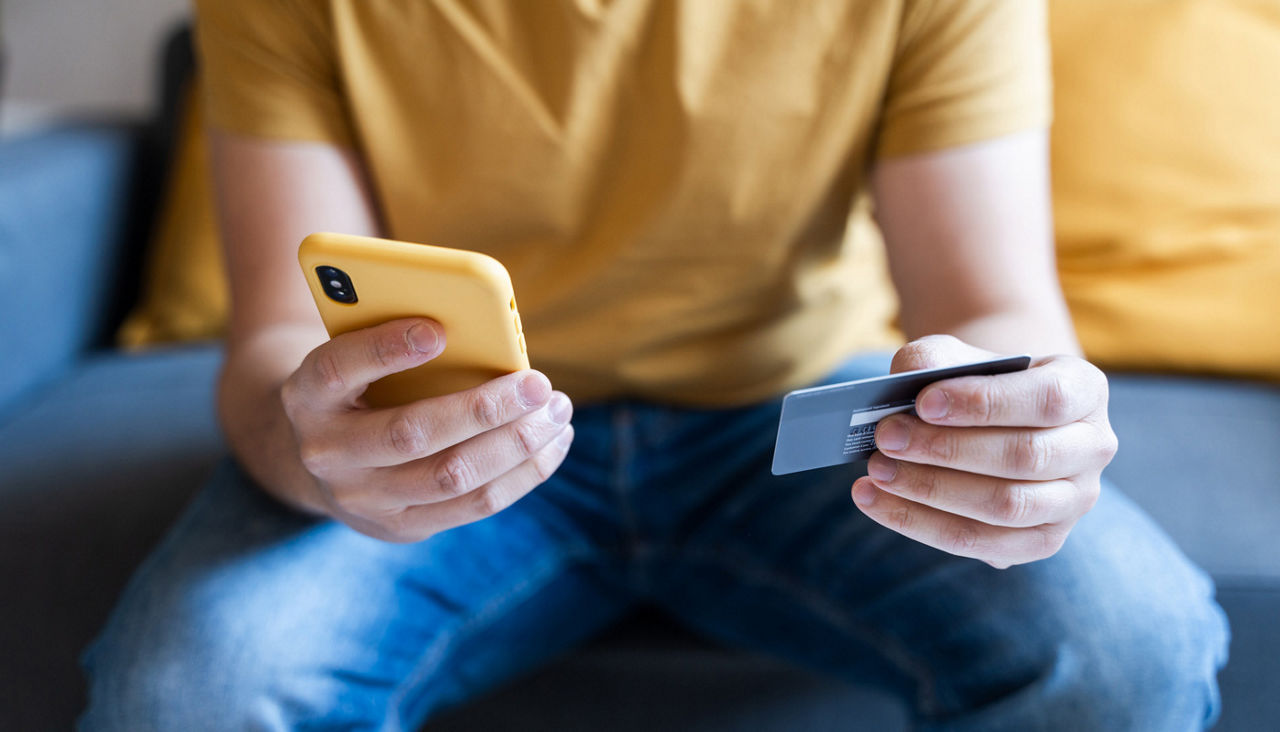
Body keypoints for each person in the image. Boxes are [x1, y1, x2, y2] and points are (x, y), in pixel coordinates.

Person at [80, 1, 1228, 729]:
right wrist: (318, 456)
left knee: (1133, 641)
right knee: (193, 688)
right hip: (471, 436)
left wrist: (1028, 426)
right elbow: (278, 341)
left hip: (796, 418)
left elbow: (989, 304)